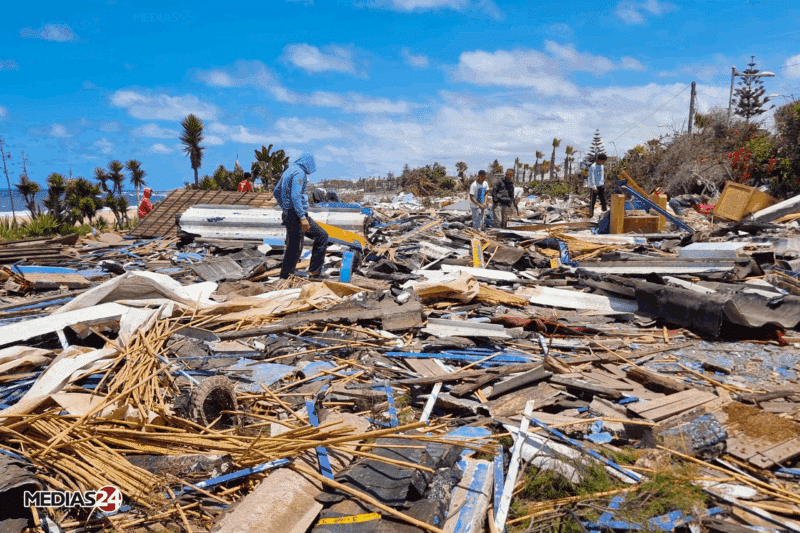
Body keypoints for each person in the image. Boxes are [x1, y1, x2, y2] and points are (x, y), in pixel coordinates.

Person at [273, 153, 329, 280]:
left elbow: (276, 192)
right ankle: (286, 277)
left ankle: (313, 272)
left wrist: (285, 207)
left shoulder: (289, 170)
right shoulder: (299, 173)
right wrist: (302, 217)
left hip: (291, 213)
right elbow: (295, 196)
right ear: (307, 163)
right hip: (297, 216)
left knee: (319, 236)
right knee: (296, 247)